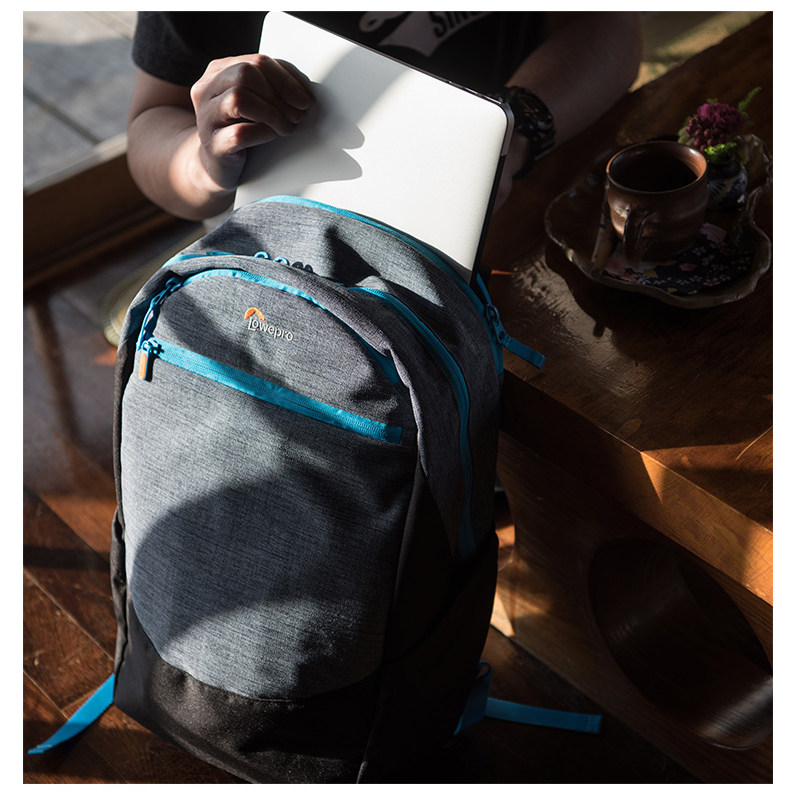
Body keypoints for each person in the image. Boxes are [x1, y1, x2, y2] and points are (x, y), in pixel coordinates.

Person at [127, 11, 642, 222]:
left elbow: (607, 25)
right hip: (298, 241)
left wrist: (513, 134)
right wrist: (203, 160)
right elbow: (153, 119)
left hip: (527, 198)